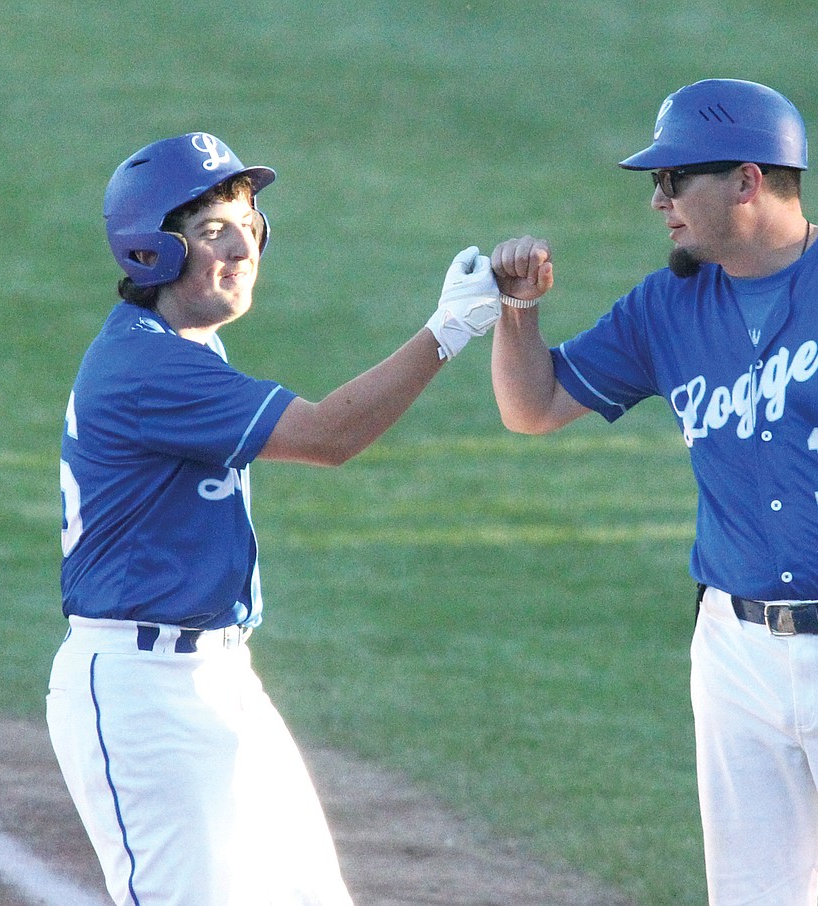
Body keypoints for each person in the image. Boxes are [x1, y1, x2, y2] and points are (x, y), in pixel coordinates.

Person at [489, 79, 818, 904]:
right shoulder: (667, 305)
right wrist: (519, 312)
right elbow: (532, 407)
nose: (659, 203)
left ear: (748, 180)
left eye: (674, 180)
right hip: (733, 653)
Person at [49, 132, 500, 906]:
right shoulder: (147, 365)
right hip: (142, 694)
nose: (242, 246)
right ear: (150, 252)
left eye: (247, 224)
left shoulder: (188, 346)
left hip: (219, 677)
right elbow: (329, 436)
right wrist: (447, 331)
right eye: (211, 230)